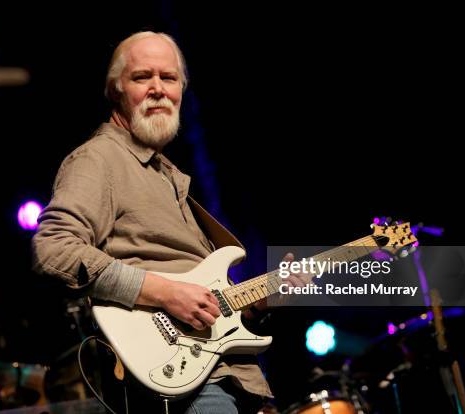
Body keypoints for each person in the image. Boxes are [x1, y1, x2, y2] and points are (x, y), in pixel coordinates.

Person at [32, 31, 302, 413]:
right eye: (142, 77)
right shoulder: (98, 161)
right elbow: (53, 249)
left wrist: (260, 302)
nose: (158, 88)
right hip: (183, 385)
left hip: (224, 374)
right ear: (116, 90)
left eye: (169, 78)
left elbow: (207, 301)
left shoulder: (168, 175)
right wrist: (164, 292)